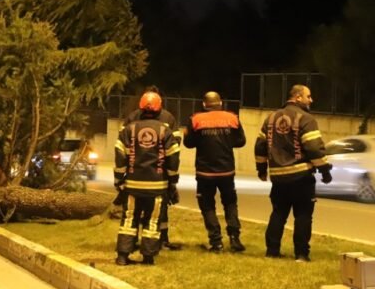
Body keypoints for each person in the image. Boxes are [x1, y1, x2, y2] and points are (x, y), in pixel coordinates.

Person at [254, 84, 332, 262]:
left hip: (278, 178)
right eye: (308, 96)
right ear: (298, 97)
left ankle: (272, 252)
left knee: (278, 213)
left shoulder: (271, 118)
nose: (311, 100)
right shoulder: (306, 118)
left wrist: (261, 169)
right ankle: (301, 254)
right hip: (301, 176)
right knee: (303, 215)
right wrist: (325, 170)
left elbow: (260, 145)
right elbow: (313, 147)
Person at [113, 91, 180, 265]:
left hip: (133, 184)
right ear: (159, 107)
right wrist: (173, 182)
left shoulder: (129, 129)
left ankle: (122, 256)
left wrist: (119, 179)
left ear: (140, 107)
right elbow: (173, 158)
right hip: (157, 185)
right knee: (153, 220)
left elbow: (120, 155)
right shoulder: (165, 130)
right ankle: (148, 256)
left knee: (129, 219)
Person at [183, 91, 246, 253]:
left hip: (205, 172)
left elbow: (189, 143)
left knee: (207, 205)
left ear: (204, 105)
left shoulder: (195, 119)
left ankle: (216, 241)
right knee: (230, 203)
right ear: (221, 103)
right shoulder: (232, 118)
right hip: (227, 171)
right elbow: (241, 141)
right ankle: (234, 238)